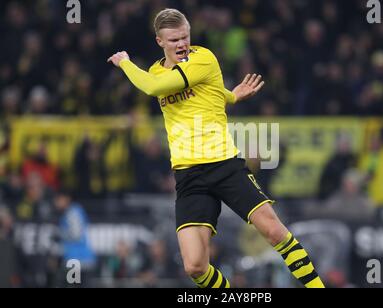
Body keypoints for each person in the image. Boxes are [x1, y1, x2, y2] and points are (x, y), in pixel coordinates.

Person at [108, 8, 324, 288]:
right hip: (188, 175)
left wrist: (125, 63)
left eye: (185, 37)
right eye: (174, 40)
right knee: (195, 266)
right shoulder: (156, 71)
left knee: (273, 231)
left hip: (223, 165)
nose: (182, 44)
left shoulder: (202, 57)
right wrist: (231, 96)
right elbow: (203, 92)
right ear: (160, 41)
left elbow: (151, 88)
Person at [54, 189, 96, 286]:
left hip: (76, 259)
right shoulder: (70, 212)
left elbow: (76, 234)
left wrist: (59, 235)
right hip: (78, 259)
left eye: (58, 199)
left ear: (66, 199)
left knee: (73, 285)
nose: (56, 202)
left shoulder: (72, 212)